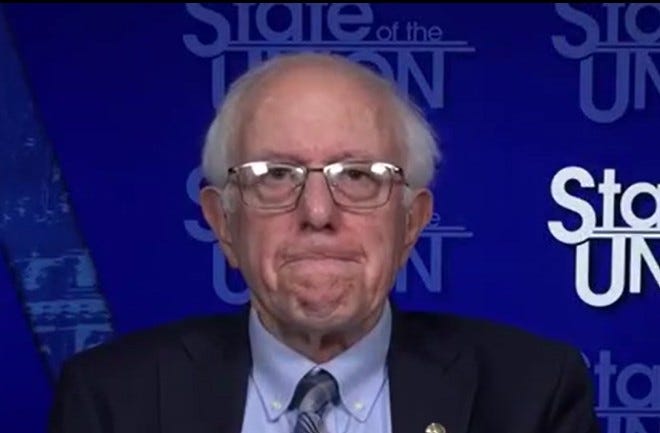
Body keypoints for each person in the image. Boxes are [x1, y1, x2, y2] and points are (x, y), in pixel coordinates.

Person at [49, 52, 601, 433]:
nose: (317, 213)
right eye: (276, 175)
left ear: (411, 222)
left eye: (358, 176)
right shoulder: (112, 401)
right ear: (223, 222)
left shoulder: (532, 395)